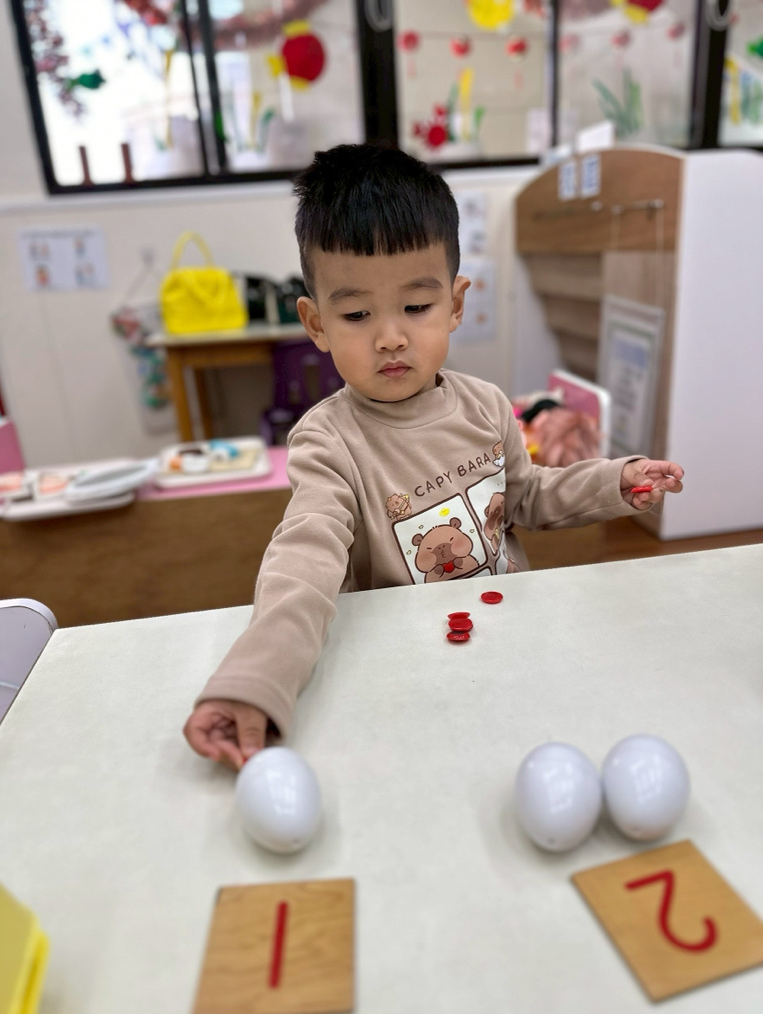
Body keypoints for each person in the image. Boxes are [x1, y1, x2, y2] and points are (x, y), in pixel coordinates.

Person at [183, 144, 684, 770]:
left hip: (510, 642)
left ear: (455, 303)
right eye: (357, 313)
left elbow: (528, 496)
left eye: (416, 307)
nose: (390, 336)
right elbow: (303, 561)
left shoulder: (486, 406)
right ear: (316, 324)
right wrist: (255, 680)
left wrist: (614, 481)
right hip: (403, 668)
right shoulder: (327, 443)